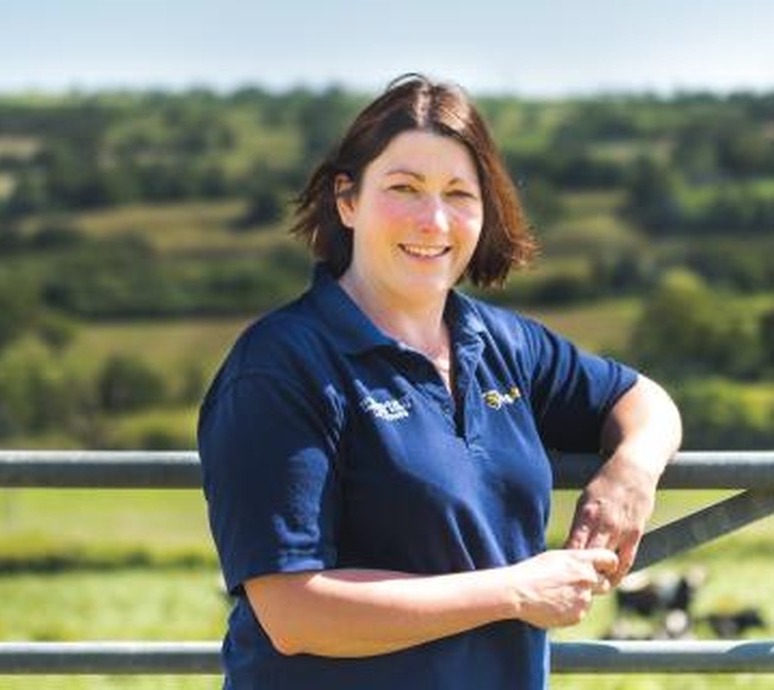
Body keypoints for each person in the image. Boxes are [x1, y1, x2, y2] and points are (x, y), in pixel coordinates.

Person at [197, 73, 682, 690]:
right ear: (347, 200)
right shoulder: (281, 365)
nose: (433, 220)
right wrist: (513, 591)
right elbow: (294, 612)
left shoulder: (504, 344)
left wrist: (631, 473)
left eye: (459, 194)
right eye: (404, 188)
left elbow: (643, 400)